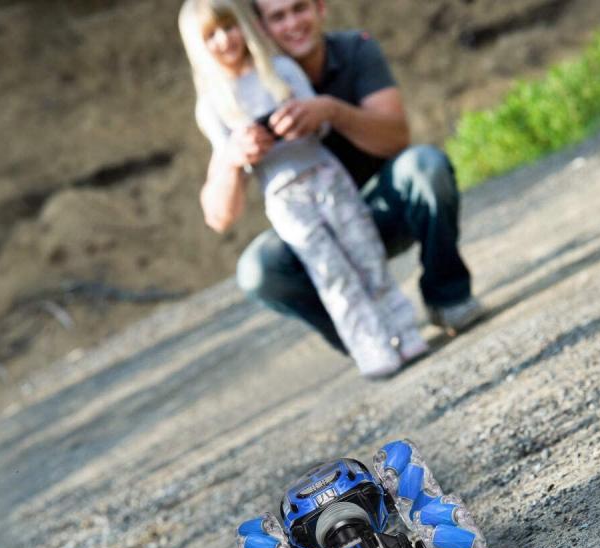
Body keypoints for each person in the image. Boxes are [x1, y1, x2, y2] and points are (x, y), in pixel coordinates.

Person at [200, 0, 484, 352]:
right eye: (278, 16)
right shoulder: (237, 93)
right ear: (259, 27)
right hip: (316, 229)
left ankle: (448, 298)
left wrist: (331, 112)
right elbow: (218, 217)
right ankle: (366, 338)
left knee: (426, 166)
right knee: (258, 270)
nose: (292, 23)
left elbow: (398, 138)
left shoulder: (355, 49)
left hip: (379, 208)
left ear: (320, 7)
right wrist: (232, 159)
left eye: (299, 8)